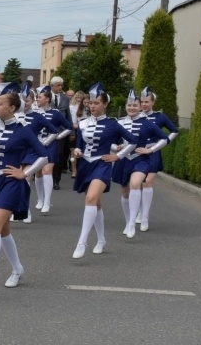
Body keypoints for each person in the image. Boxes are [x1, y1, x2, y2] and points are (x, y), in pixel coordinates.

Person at [0, 83, 48, 305]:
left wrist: (26, 172)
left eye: (0, 103)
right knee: (3, 230)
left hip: (12, 183)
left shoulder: (23, 130)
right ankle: (17, 269)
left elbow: (43, 155)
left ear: (12, 108)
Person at [71, 83, 137, 259]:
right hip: (86, 164)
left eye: (96, 103)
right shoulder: (83, 123)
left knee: (91, 198)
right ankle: (101, 240)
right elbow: (79, 144)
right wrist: (77, 151)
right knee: (96, 204)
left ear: (105, 104)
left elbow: (133, 141)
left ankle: (82, 242)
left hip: (102, 164)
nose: (92, 106)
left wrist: (118, 156)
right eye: (90, 103)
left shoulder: (113, 124)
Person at [113, 89, 169, 238]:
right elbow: (109, 142)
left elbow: (165, 138)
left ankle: (133, 222)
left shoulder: (148, 123)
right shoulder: (118, 123)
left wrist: (151, 150)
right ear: (126, 106)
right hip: (123, 159)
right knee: (125, 193)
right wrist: (116, 147)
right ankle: (128, 221)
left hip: (140, 160)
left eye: (135, 105)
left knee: (136, 183)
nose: (132, 108)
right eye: (129, 105)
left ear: (139, 107)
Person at [135, 86, 179, 231]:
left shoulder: (160, 117)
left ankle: (145, 217)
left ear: (153, 102)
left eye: (147, 102)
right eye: (142, 102)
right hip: (138, 152)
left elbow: (174, 131)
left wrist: (161, 144)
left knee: (148, 182)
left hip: (153, 152)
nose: (144, 104)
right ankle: (139, 212)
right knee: (138, 183)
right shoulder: (136, 116)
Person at [15, 82, 59, 222]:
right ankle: (14, 208)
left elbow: (54, 131)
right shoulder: (13, 116)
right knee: (13, 181)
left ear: (32, 101)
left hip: (30, 152)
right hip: (15, 152)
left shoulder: (38, 116)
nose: (24, 103)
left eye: (27, 101)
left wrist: (45, 142)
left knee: (26, 178)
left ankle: (26, 211)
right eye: (22, 101)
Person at [34, 85, 73, 213]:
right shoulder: (34, 113)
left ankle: (47, 202)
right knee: (38, 172)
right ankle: (40, 199)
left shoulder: (55, 114)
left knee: (47, 170)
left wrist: (59, 137)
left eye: (39, 97)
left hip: (50, 144)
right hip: (36, 144)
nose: (37, 99)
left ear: (47, 99)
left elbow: (69, 127)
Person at [49, 76, 73, 190]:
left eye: (61, 85)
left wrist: (71, 132)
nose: (60, 87)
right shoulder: (46, 96)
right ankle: (44, 177)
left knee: (58, 155)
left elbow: (68, 115)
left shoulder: (65, 98)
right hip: (47, 131)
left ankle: (56, 180)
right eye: (58, 85)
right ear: (52, 85)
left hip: (61, 132)